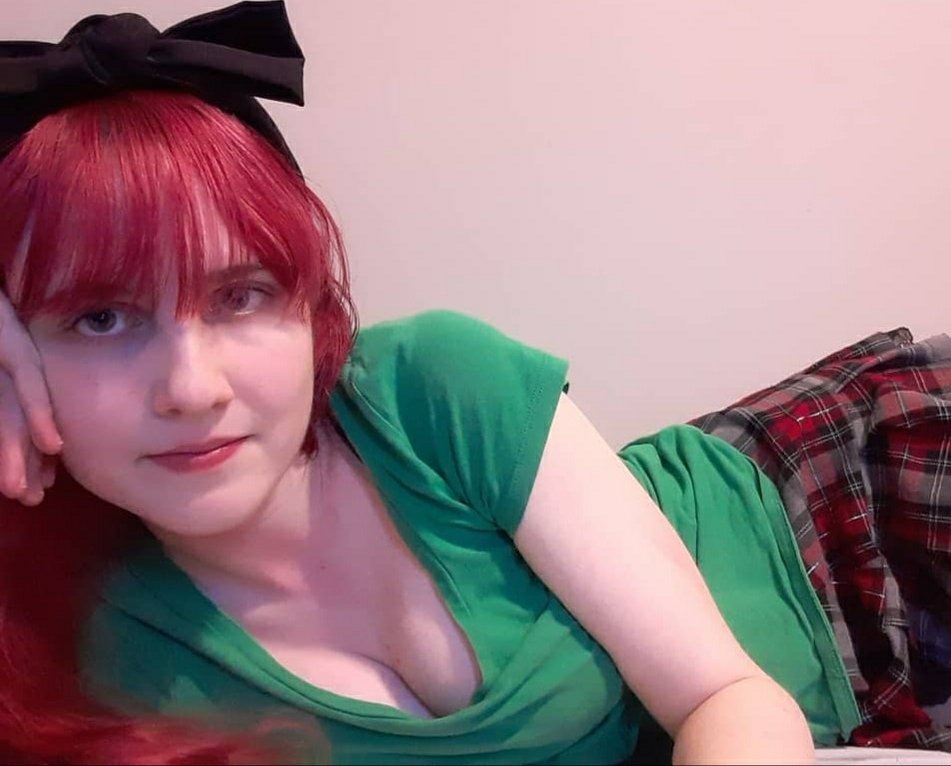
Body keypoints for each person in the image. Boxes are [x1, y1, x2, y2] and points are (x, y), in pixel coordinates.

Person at [0, 2, 947, 765]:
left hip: (838, 518)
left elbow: (726, 693)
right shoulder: (87, 655)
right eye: (99, 318)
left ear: (308, 302)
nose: (190, 387)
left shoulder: (426, 387)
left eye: (240, 295)